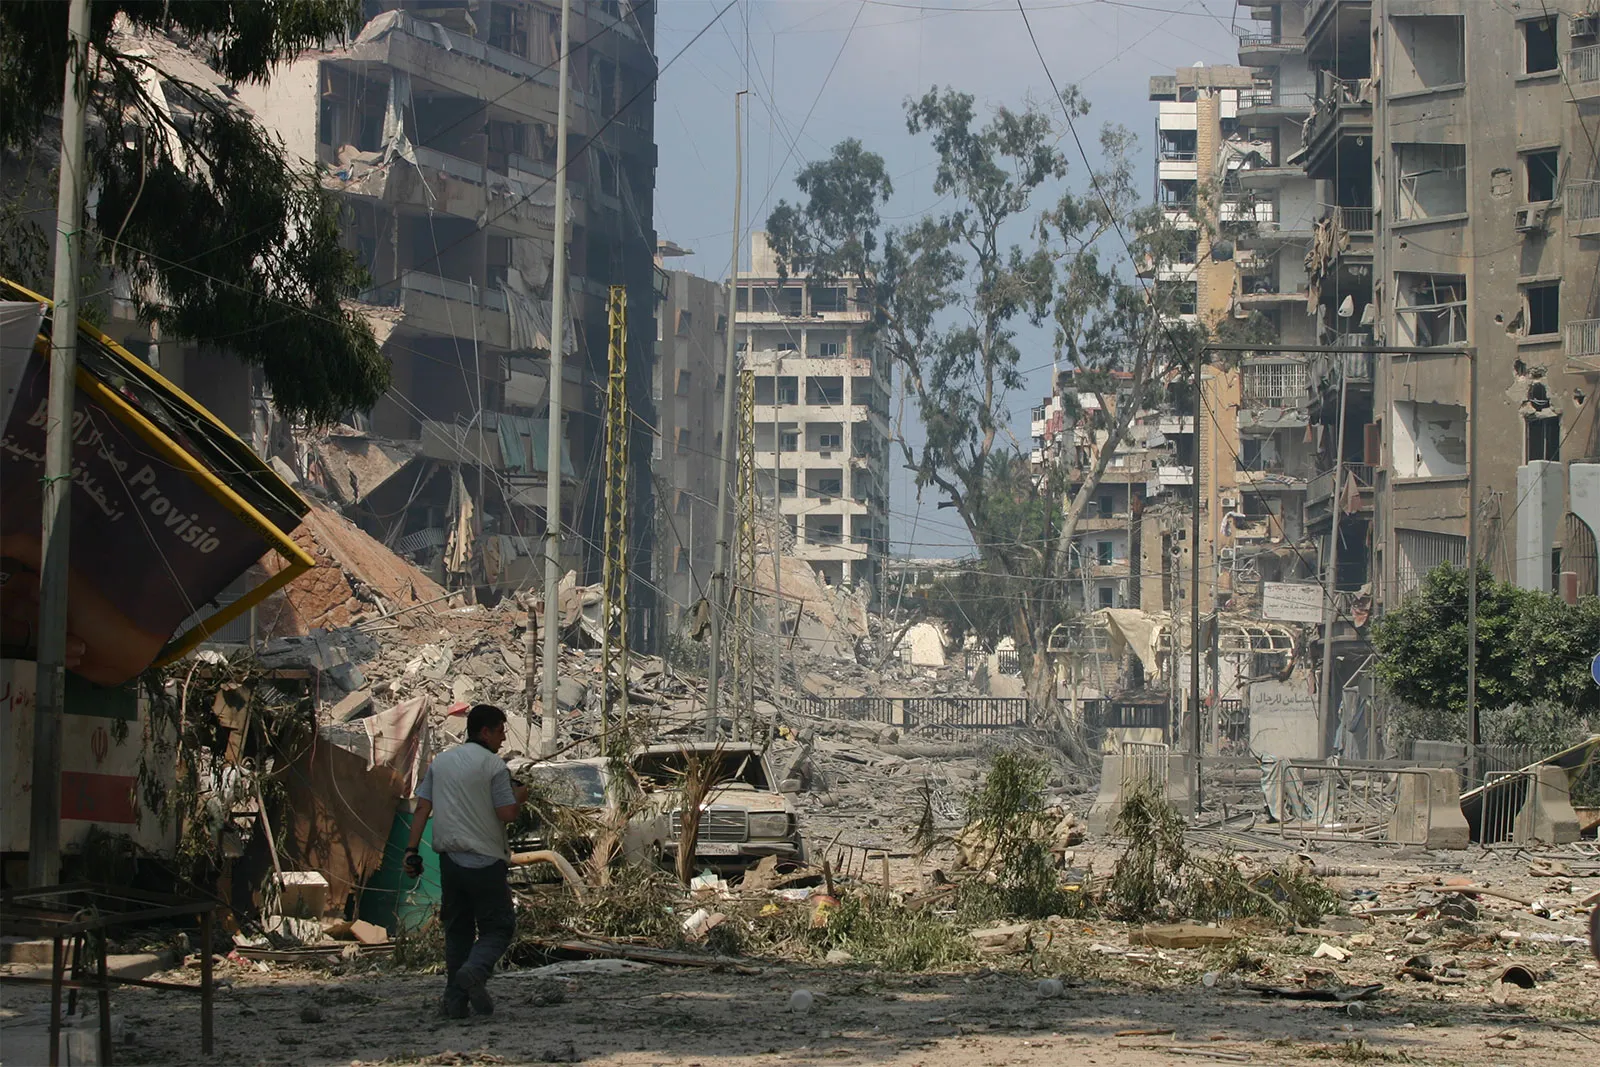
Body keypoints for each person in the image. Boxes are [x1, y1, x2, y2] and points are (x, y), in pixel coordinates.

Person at [404, 703, 528, 1018]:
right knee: (498, 928)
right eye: (500, 731)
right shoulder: (494, 767)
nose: (503, 739)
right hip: (486, 861)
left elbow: (422, 808)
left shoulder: (441, 763)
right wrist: (520, 797)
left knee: (458, 930)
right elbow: (507, 814)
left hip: (450, 861)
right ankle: (474, 970)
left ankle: (454, 1001)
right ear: (484, 732)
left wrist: (411, 851)